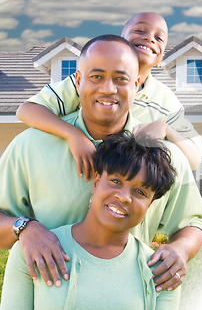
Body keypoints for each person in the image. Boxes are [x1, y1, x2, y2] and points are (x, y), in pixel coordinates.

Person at [0, 35, 202, 294]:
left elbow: (192, 223)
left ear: (137, 83)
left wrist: (181, 250)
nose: (108, 88)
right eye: (96, 77)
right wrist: (24, 228)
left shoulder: (164, 156)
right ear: (78, 80)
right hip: (47, 297)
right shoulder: (29, 146)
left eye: (121, 79)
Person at [1, 132, 181, 309]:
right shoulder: (34, 250)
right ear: (96, 182)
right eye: (116, 181)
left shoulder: (162, 271)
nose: (124, 197)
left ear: (149, 205)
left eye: (140, 192)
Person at [16, 12, 202, 176]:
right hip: (74, 171)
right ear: (121, 39)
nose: (149, 38)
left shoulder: (165, 100)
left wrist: (166, 129)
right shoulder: (89, 82)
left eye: (159, 37)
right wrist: (73, 135)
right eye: (140, 31)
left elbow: (194, 160)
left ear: (160, 59)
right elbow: (26, 110)